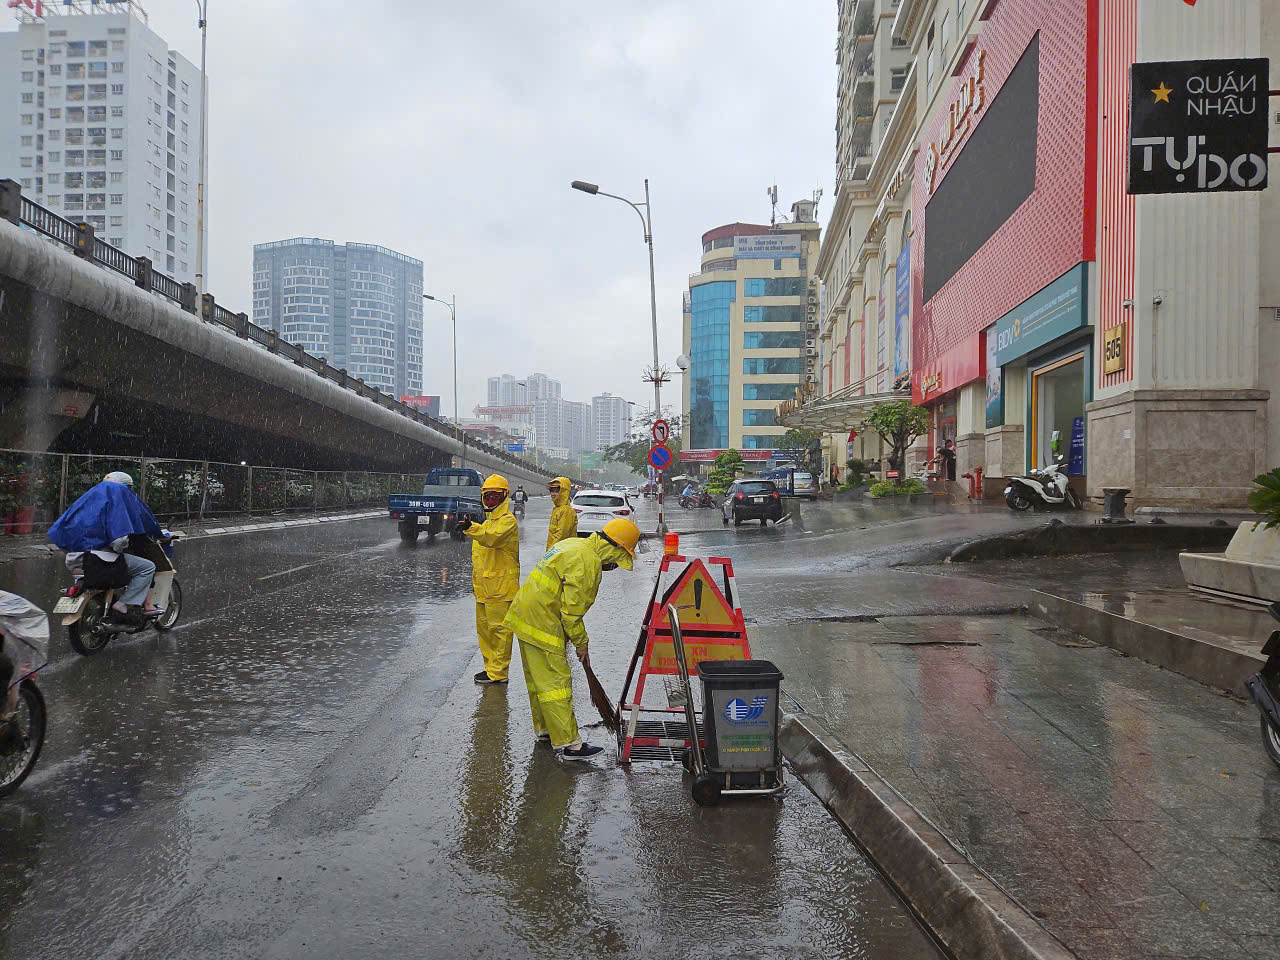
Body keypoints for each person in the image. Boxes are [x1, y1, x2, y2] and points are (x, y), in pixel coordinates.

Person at [504, 516, 640, 760]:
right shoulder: (588, 563)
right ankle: (570, 745)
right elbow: (571, 615)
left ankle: (546, 730)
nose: (612, 566)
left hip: (524, 616)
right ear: (615, 549)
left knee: (539, 681)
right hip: (542, 622)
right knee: (556, 684)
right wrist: (582, 644)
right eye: (617, 561)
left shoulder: (573, 544)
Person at [47, 471, 161, 628]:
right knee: (148, 567)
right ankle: (124, 604)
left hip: (76, 561)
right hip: (101, 560)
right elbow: (119, 542)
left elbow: (64, 532)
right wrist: (123, 544)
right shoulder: (116, 502)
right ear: (125, 488)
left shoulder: (88, 501)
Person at [456, 474, 520, 685]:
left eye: (495, 497)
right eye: (487, 496)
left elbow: (491, 538)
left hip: (501, 590)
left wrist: (470, 528)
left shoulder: (507, 521)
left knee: (499, 632)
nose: (491, 501)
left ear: (504, 497)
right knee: (485, 632)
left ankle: (499, 673)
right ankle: (490, 669)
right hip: (485, 588)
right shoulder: (488, 522)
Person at [545, 476, 576, 552]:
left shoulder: (566, 511)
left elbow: (561, 536)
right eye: (552, 491)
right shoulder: (557, 509)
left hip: (561, 553)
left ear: (564, 492)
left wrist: (551, 553)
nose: (553, 494)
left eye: (556, 491)